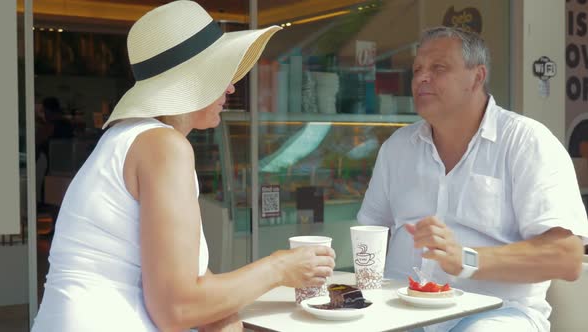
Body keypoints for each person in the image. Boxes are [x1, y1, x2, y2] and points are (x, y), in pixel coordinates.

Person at [31, 2, 336, 331]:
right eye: (222, 74)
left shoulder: (132, 137)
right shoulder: (165, 146)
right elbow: (177, 308)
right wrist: (278, 269)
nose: (231, 87)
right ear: (193, 79)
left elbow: (200, 294)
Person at [358, 26, 588, 332]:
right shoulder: (397, 148)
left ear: (477, 77)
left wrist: (466, 259)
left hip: (497, 314)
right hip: (401, 310)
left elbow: (566, 257)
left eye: (438, 68)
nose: (422, 78)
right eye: (417, 69)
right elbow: (369, 233)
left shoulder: (526, 142)